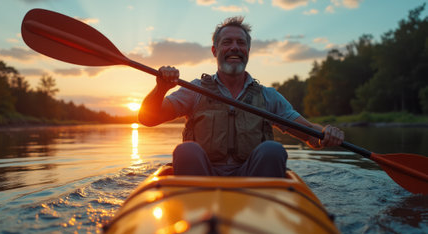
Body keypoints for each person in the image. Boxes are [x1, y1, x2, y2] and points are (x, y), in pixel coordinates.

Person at [138, 16, 344, 177]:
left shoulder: (268, 96)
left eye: (241, 43)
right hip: (201, 179)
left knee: (272, 150)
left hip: (253, 179)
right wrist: (161, 89)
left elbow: (310, 134)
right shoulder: (195, 90)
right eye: (227, 42)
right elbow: (148, 118)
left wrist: (325, 134)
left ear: (248, 50)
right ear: (214, 50)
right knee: (187, 151)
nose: (234, 47)